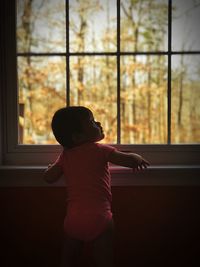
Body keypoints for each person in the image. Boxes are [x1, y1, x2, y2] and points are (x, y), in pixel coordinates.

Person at [43, 106, 150, 267]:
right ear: (78, 137)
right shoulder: (101, 150)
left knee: (69, 260)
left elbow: (49, 178)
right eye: (92, 122)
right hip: (100, 217)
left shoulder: (65, 156)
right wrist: (137, 156)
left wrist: (50, 167)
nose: (98, 123)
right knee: (104, 261)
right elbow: (130, 161)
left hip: (73, 219)